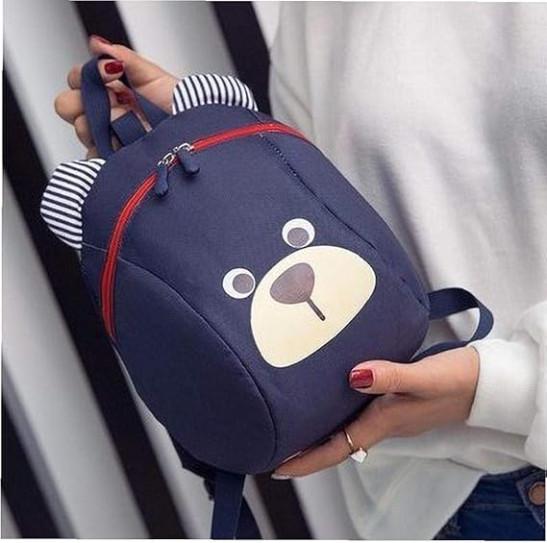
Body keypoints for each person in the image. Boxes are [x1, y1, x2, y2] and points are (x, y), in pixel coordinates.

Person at [51, 3, 545, 539]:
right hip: (433, 502)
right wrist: (205, 145)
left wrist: (500, 384)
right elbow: (326, 210)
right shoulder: (319, 14)